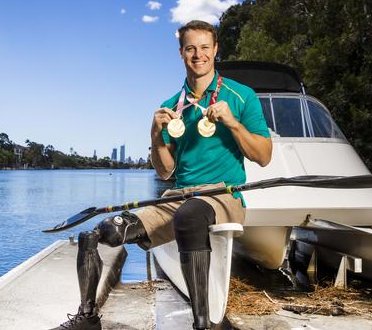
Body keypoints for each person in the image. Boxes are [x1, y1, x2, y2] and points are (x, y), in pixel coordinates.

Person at [49, 20, 272, 330]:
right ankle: (87, 319)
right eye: (191, 48)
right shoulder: (171, 106)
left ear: (216, 49)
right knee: (99, 233)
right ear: (181, 52)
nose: (199, 54)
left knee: (191, 216)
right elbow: (166, 170)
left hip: (223, 194)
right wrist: (155, 134)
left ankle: (203, 325)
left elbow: (263, 156)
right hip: (178, 197)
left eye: (205, 47)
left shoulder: (240, 95)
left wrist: (233, 123)